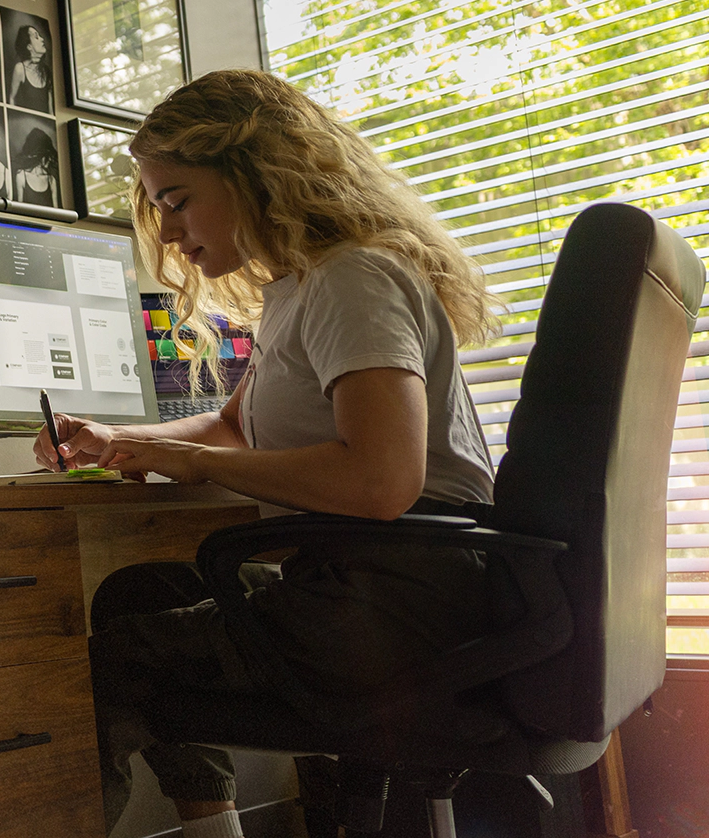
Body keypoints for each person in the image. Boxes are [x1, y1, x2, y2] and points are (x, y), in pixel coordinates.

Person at [32, 69, 501, 838]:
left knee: (90, 674)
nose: (172, 232)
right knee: (143, 593)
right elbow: (234, 430)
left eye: (178, 201)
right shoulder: (304, 288)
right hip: (390, 591)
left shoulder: (353, 277)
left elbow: (382, 481)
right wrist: (122, 443)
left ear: (255, 174)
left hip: (400, 603)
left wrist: (200, 464)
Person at [8, 24, 51, 111]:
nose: (42, 39)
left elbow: (51, 109)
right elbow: (11, 99)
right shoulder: (20, 69)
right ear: (29, 47)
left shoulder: (46, 71)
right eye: (36, 37)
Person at [10, 126, 56, 206]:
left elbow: (56, 212)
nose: (50, 160)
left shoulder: (51, 179)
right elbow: (18, 209)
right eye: (48, 156)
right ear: (41, 155)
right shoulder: (21, 176)